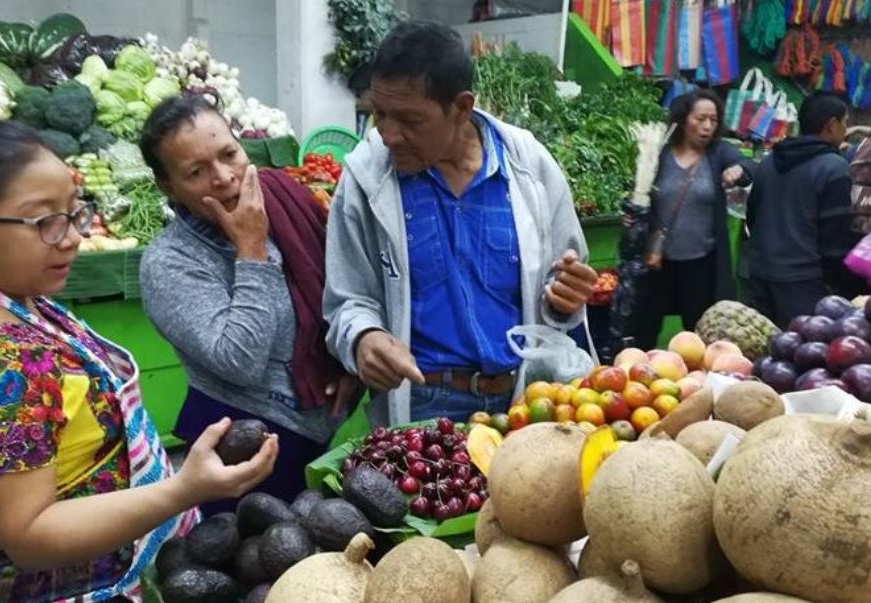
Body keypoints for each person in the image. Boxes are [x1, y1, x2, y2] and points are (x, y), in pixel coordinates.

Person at [0, 120, 277, 603]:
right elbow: (31, 534)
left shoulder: (4, 294)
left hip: (91, 588)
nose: (74, 235)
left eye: (75, 211)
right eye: (45, 222)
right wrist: (183, 489)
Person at [323, 21, 597, 427]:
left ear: (462, 108)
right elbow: (348, 299)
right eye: (379, 114)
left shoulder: (530, 168)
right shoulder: (365, 178)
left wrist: (564, 299)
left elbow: (563, 291)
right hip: (421, 406)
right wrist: (364, 337)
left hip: (523, 402)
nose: (389, 135)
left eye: (409, 120)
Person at [138, 94, 361, 515]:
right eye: (196, 172)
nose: (224, 177)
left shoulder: (282, 199)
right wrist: (251, 248)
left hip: (322, 429)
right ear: (168, 186)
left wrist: (347, 360)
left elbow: (338, 292)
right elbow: (240, 360)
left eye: (229, 154)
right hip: (240, 452)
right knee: (255, 565)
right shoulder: (169, 263)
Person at [628, 89, 755, 350]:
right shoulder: (659, 153)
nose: (707, 126)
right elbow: (636, 193)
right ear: (684, 119)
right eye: (700, 118)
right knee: (644, 329)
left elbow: (749, 166)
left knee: (700, 334)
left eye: (713, 120)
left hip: (701, 263)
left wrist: (739, 170)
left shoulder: (719, 153)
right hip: (656, 262)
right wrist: (634, 217)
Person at [747, 92, 857, 328]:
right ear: (831, 125)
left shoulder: (769, 161)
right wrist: (832, 285)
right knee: (798, 356)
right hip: (805, 283)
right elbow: (834, 236)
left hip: (761, 273)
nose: (845, 130)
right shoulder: (834, 167)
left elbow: (752, 215)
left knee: (762, 354)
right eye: (845, 123)